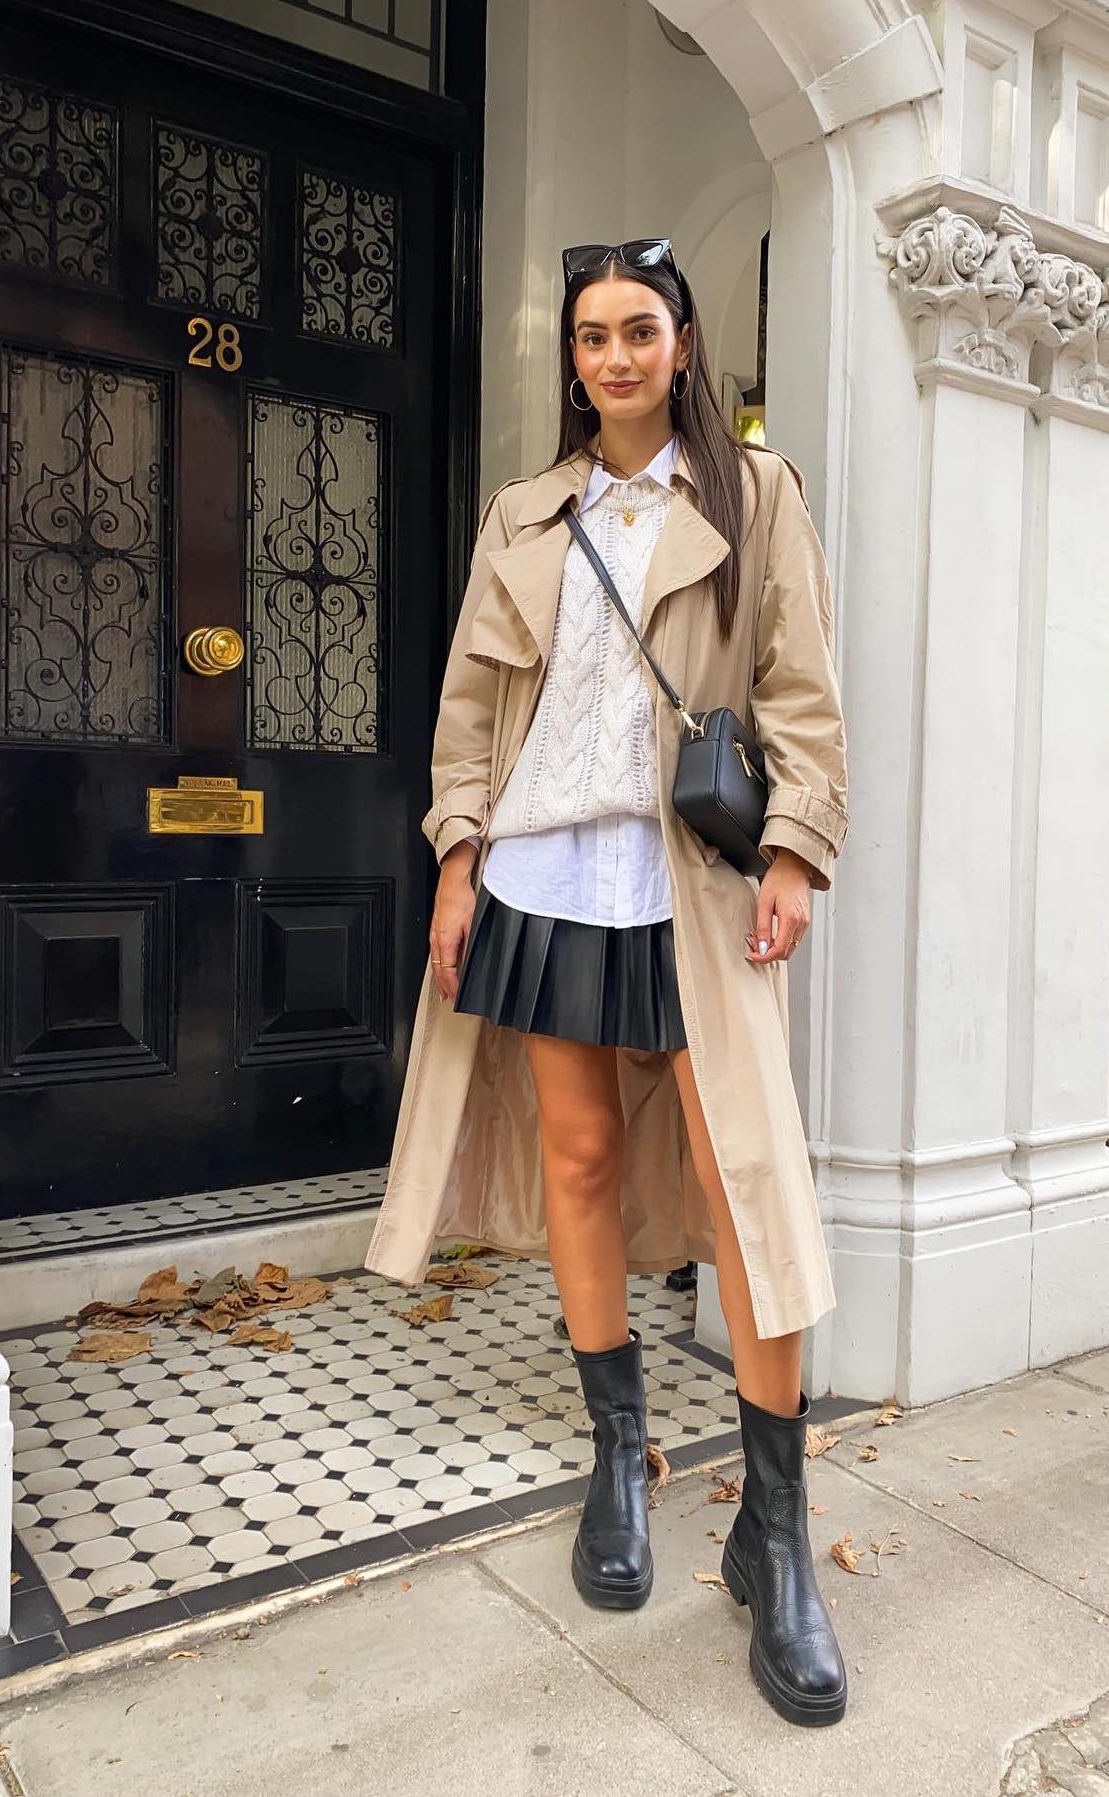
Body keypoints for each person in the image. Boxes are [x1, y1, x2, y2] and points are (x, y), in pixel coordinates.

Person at [365, 237, 851, 1728]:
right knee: (576, 1154)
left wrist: (795, 851)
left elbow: (800, 691)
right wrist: (457, 852)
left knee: (744, 1178)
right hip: (541, 874)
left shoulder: (754, 495)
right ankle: (618, 1452)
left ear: (685, 343)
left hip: (684, 881)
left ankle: (772, 1531)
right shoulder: (526, 512)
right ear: (571, 357)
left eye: (640, 330)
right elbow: (466, 704)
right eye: (592, 336)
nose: (615, 357)